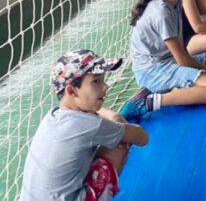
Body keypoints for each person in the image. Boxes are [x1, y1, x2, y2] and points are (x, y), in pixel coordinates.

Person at [20, 50, 148, 201]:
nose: (105, 87)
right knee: (119, 144)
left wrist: (102, 114)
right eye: (96, 81)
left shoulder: (52, 116)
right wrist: (116, 118)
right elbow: (141, 137)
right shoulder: (89, 125)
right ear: (71, 90)